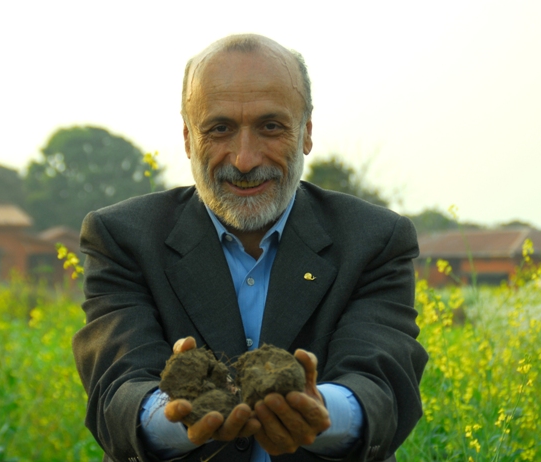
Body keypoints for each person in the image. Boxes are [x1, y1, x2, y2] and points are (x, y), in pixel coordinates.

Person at [73, 34, 428, 462]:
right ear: (188, 138)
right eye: (219, 128)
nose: (244, 159)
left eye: (271, 127)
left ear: (306, 133)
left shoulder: (375, 240)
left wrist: (324, 412)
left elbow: (383, 382)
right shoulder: (121, 238)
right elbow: (117, 387)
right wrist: (176, 415)